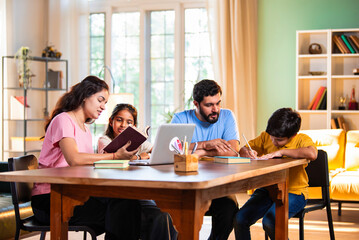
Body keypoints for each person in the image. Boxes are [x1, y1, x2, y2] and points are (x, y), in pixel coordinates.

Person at [31, 76, 153, 240]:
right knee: (123, 210)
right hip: (50, 199)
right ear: (84, 96)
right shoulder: (63, 120)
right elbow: (74, 159)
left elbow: (86, 167)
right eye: (100, 100)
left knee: (128, 203)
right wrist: (115, 156)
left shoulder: (85, 129)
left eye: (105, 103)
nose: (103, 106)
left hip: (73, 193)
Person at [234, 108, 318, 240]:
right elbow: (243, 149)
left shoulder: (301, 139)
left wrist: (281, 152)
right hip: (267, 189)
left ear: (293, 135)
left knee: (270, 221)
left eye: (279, 140)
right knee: (240, 219)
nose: (273, 142)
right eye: (272, 137)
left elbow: (312, 154)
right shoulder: (266, 137)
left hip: (294, 192)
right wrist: (246, 152)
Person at [171, 79, 240, 240]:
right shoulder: (181, 119)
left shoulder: (227, 116)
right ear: (196, 103)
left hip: (216, 186)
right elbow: (172, 150)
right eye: (209, 105)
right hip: (184, 186)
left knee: (229, 207)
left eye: (218, 103)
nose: (215, 109)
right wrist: (206, 144)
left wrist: (199, 152)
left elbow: (232, 150)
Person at [98, 103, 178, 240]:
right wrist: (140, 156)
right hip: (117, 196)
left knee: (167, 215)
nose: (123, 125)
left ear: (133, 126)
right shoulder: (104, 140)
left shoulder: (138, 142)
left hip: (139, 193)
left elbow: (157, 150)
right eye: (119, 120)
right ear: (111, 122)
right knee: (159, 217)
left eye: (129, 122)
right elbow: (114, 157)